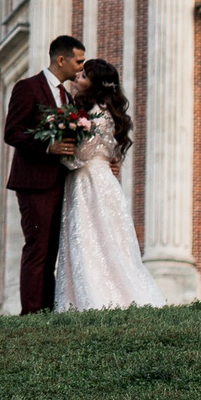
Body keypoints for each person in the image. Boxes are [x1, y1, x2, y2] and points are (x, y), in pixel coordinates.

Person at [54, 58, 166, 311]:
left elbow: (80, 157)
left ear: (95, 83)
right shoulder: (99, 111)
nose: (77, 77)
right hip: (98, 180)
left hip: (90, 182)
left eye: (83, 75)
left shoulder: (97, 115)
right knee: (98, 240)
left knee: (93, 239)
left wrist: (58, 151)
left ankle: (97, 298)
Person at [1, 34, 85, 312]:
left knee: (52, 249)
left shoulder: (68, 97)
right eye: (78, 62)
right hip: (34, 182)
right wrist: (49, 147)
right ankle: (31, 312)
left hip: (61, 181)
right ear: (61, 60)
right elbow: (12, 132)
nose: (80, 69)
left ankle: (47, 309)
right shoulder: (27, 88)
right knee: (37, 247)